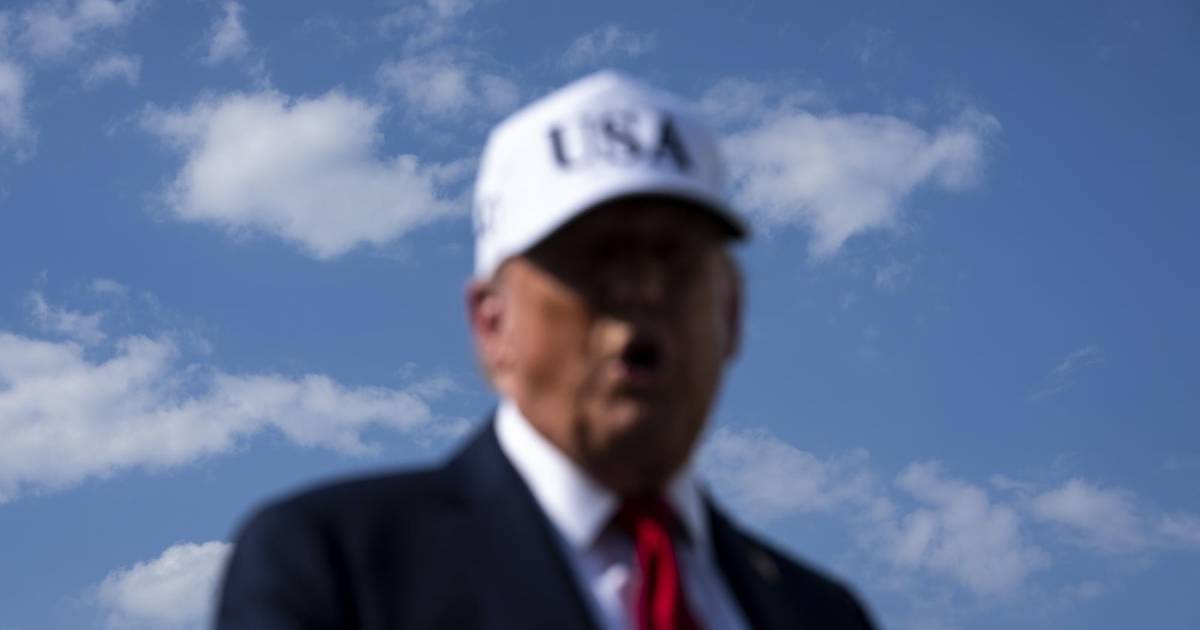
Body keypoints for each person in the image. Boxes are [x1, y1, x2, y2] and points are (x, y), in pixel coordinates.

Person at [216, 70, 877, 630]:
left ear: (730, 313)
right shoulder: (335, 566)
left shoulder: (824, 614)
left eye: (674, 257)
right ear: (491, 323)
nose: (643, 290)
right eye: (595, 256)